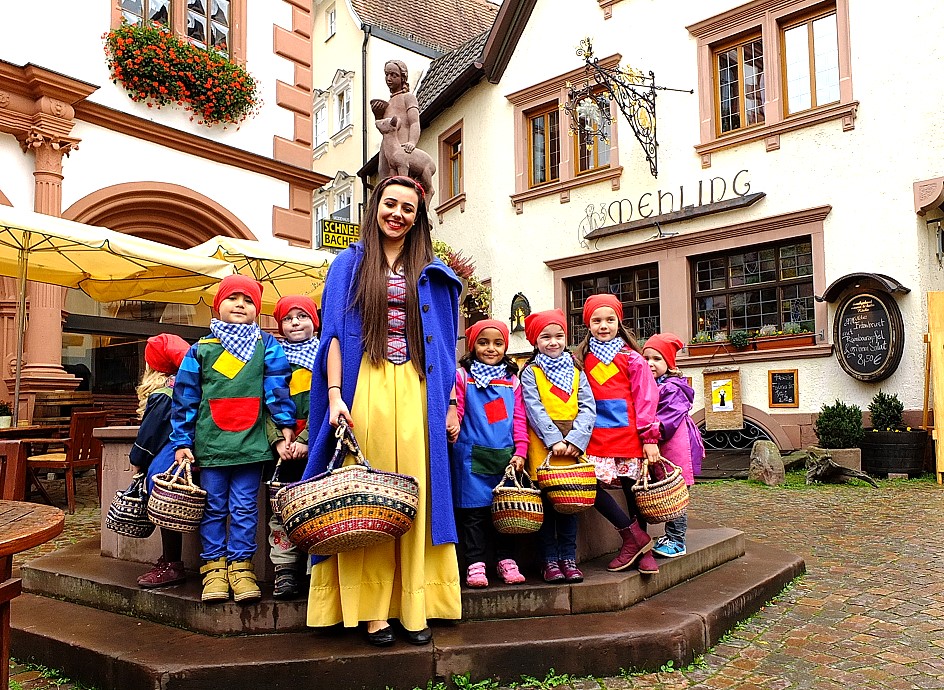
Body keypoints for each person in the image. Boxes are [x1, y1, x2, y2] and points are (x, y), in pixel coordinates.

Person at [303, 175, 462, 647]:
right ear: (374, 207)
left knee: (416, 491)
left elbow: (449, 347)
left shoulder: (432, 269)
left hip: (418, 390)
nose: (398, 213)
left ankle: (416, 604)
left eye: (408, 209)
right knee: (365, 495)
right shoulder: (348, 264)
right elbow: (331, 335)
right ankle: (371, 610)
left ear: (419, 218)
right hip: (364, 385)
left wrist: (451, 401)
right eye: (390, 204)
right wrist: (335, 396)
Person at [171, 275, 296, 604]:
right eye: (233, 298)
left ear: (257, 310)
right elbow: (185, 398)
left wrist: (285, 423)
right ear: (217, 305)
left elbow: (277, 387)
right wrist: (181, 441)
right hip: (210, 445)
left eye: (249, 300)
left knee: (243, 509)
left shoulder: (267, 346)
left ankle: (241, 568)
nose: (240, 304)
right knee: (212, 509)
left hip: (252, 446)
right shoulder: (200, 349)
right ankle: (213, 569)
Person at [574, 294, 661, 575]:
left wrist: (649, 439)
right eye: (597, 320)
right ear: (587, 324)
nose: (603, 325)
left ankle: (643, 551)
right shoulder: (580, 359)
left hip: (628, 436)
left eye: (610, 320)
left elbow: (646, 398)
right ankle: (632, 536)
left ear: (619, 322)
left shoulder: (632, 358)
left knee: (633, 492)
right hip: (594, 437)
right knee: (589, 486)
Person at [448, 318, 528, 588]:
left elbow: (519, 419)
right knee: (474, 516)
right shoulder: (462, 377)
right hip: (469, 457)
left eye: (497, 343)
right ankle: (475, 564)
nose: (490, 348)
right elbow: (456, 409)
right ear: (473, 346)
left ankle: (507, 561)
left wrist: (521, 450)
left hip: (505, 457)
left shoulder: (512, 381)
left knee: (505, 513)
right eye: (483, 343)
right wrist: (454, 424)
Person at [519, 309, 596, 584]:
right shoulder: (530, 373)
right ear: (535, 342)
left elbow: (588, 406)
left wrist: (575, 440)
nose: (553, 342)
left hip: (574, 450)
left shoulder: (577, 370)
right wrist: (554, 440)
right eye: (546, 337)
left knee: (570, 504)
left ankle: (568, 557)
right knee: (547, 506)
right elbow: (534, 408)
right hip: (544, 449)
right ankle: (549, 560)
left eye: (559, 336)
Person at [266, 295, 321, 599]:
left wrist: (306, 440)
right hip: (283, 451)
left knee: (318, 506)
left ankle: (317, 568)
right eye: (288, 318)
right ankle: (285, 568)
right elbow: (266, 404)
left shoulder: (326, 357)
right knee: (281, 508)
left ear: (314, 321)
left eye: (301, 316)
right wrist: (278, 440)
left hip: (317, 447)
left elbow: (327, 403)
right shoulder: (274, 359)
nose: (295, 322)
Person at [131, 333, 190, 589]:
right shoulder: (185, 386)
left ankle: (172, 563)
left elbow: (149, 435)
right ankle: (169, 560)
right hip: (185, 457)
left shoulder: (164, 393)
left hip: (165, 461)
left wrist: (137, 460)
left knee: (166, 509)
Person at [642, 333, 705, 558]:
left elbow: (665, 419)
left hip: (677, 448)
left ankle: (677, 540)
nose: (650, 363)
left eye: (656, 359)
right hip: (664, 447)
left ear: (668, 364)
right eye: (646, 358)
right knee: (667, 492)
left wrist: (647, 435)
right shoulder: (653, 384)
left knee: (675, 495)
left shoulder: (672, 388)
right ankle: (670, 535)